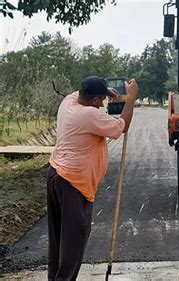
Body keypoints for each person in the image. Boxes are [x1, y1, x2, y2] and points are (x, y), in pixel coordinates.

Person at [47, 76, 138, 280]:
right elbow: (121, 126)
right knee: (73, 241)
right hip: (73, 182)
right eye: (102, 99)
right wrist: (130, 99)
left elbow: (81, 93)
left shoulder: (69, 102)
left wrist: (108, 91)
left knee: (58, 239)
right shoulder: (89, 115)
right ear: (96, 100)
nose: (104, 103)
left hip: (56, 174)